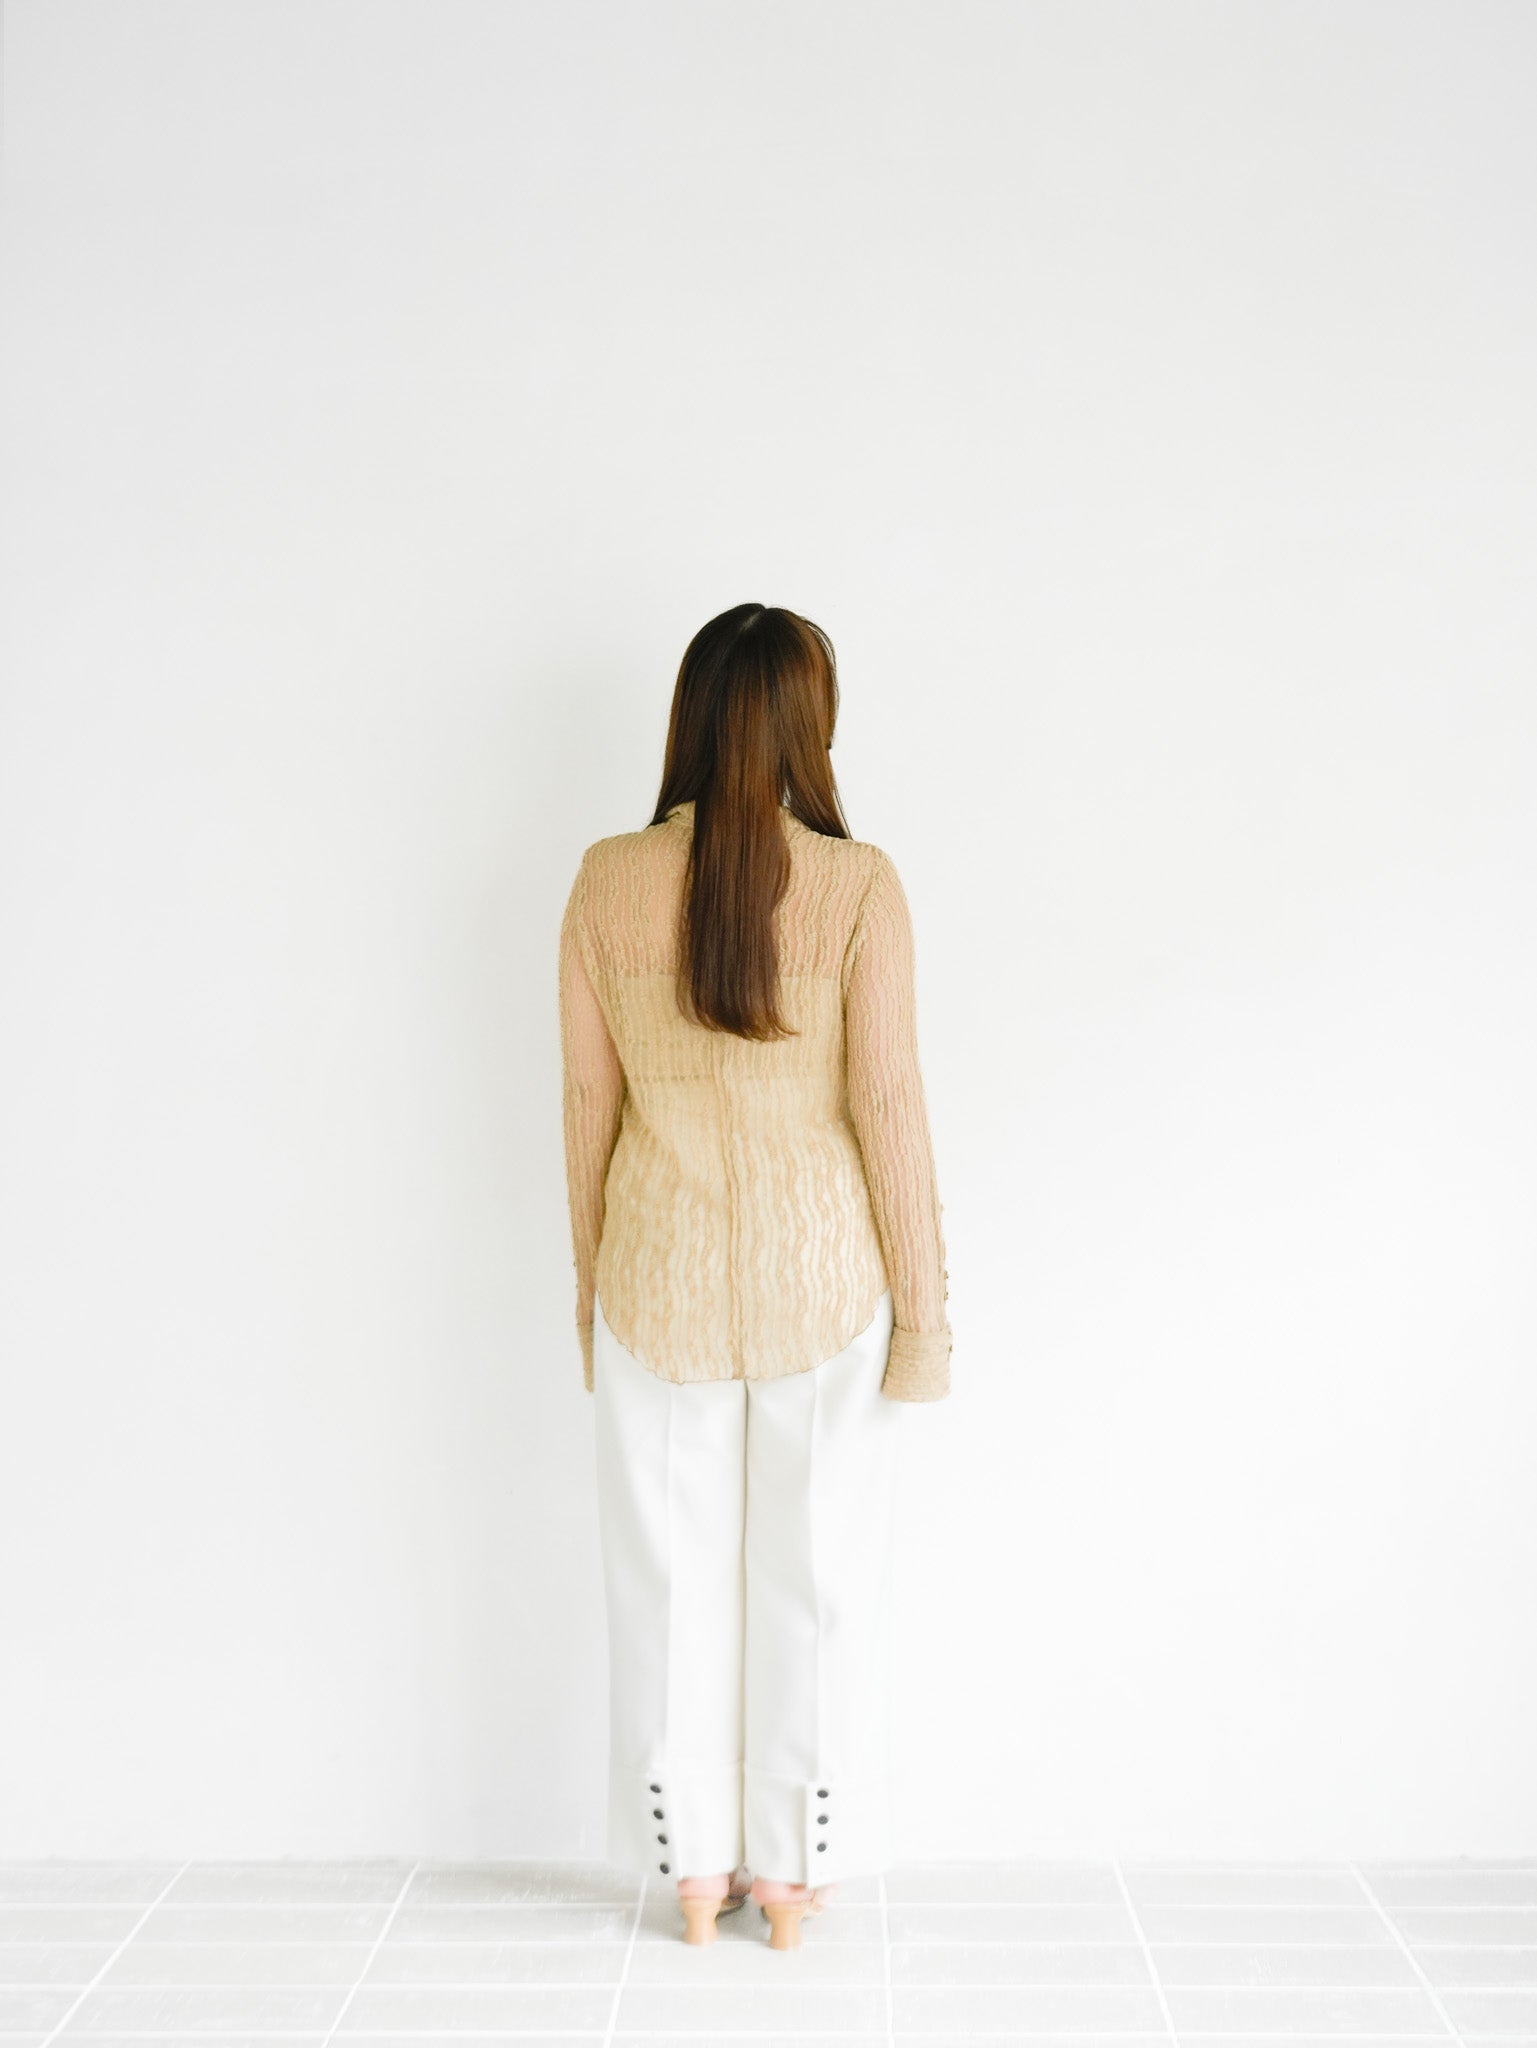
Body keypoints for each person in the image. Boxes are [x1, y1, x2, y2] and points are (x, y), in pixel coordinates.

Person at [557, 602, 951, 1951]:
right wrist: (925, 1321)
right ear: (806, 726)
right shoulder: (858, 885)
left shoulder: (605, 879)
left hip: (651, 1277)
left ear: (689, 715)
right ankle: (796, 1868)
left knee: (668, 1588)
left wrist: (588, 1300)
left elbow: (588, 1110)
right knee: (818, 1580)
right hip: (825, 1282)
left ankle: (692, 1871)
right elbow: (889, 1106)